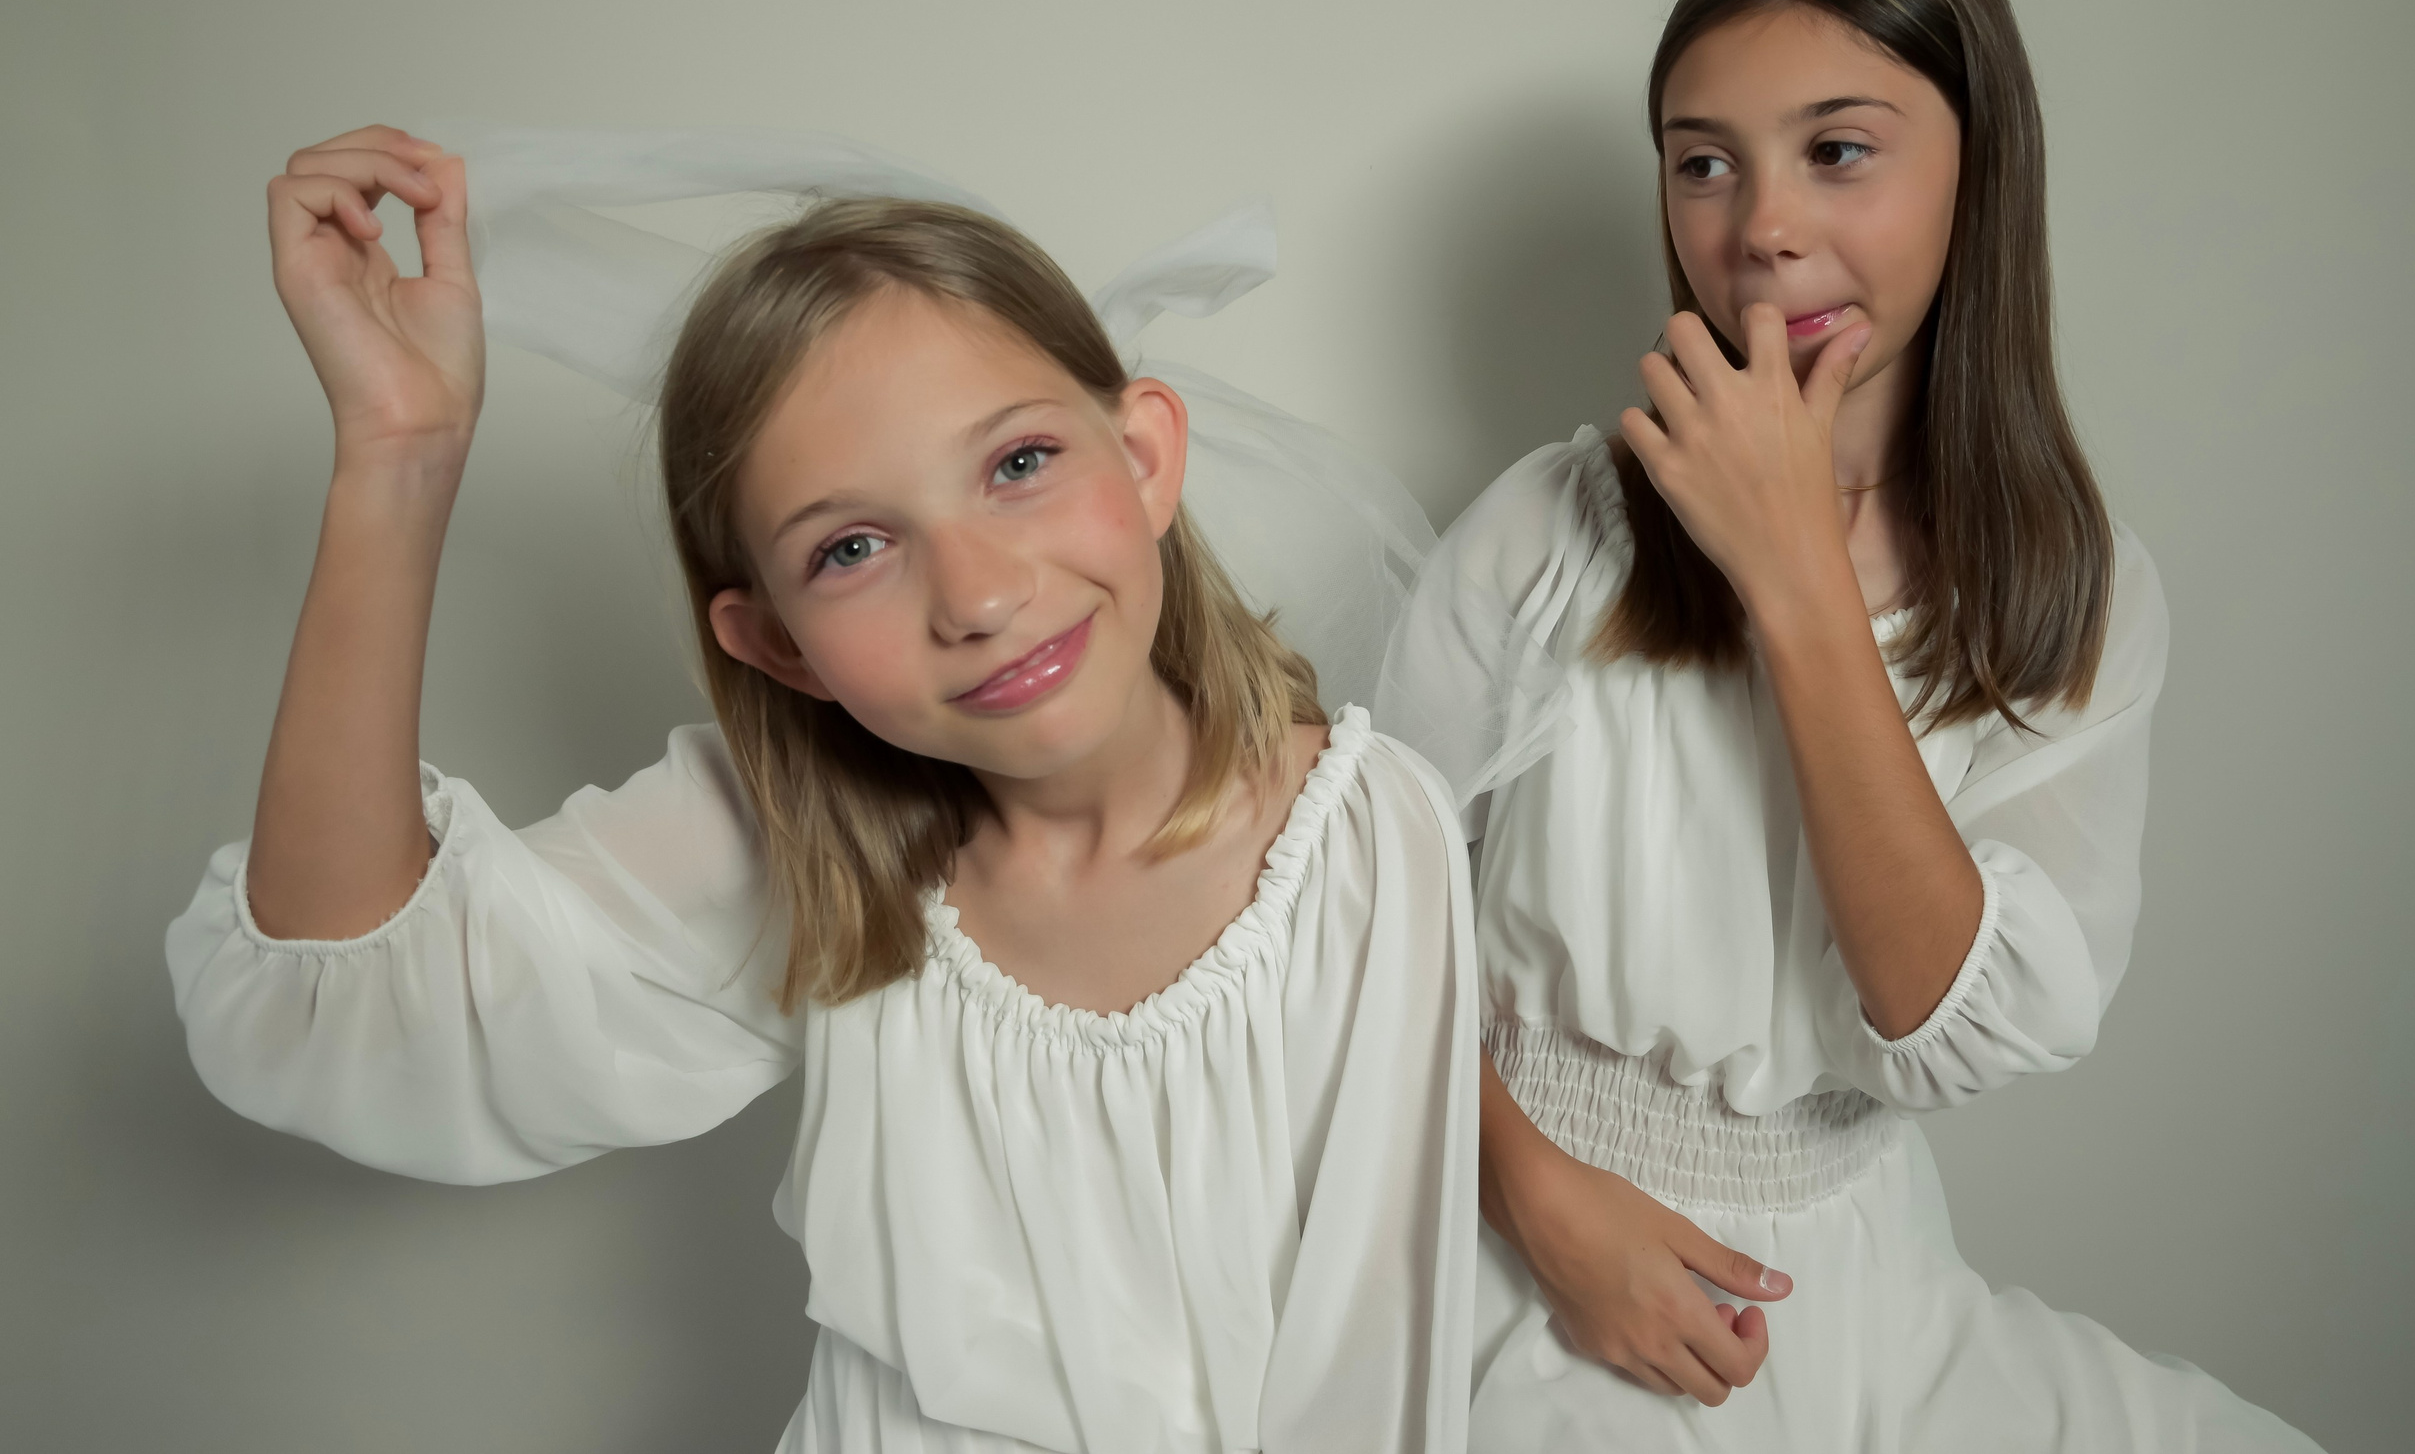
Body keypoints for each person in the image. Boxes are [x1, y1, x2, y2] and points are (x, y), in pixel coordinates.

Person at [167, 128, 1476, 1452]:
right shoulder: (798, 843)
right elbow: (339, 996)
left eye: (1018, 464)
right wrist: (400, 451)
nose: (977, 594)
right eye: (852, 546)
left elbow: (1370, 1383)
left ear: (1141, 456)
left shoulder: (1364, 842)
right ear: (777, 642)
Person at [1378, 0, 2325, 1449]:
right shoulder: (1554, 534)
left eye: (1839, 149)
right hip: (1533, 1254)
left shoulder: (2075, 599)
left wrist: (1797, 572)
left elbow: (1938, 1011)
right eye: (1704, 161)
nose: (1760, 225)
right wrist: (1538, 1200)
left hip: (1865, 1276)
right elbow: (1351, 928)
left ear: (1978, 170)